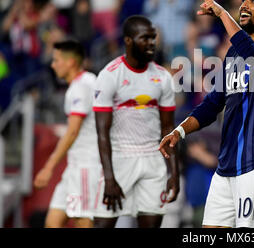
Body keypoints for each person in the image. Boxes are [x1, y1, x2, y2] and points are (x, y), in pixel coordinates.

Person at [159, 0, 254, 228]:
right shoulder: (232, 53)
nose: (243, 5)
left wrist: (223, 15)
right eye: (243, 0)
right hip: (227, 164)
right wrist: (179, 132)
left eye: (252, 1)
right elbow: (212, 104)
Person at [92, 15, 179, 228]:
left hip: (153, 160)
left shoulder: (163, 77)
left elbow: (168, 129)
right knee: (103, 225)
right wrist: (110, 178)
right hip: (120, 159)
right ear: (128, 41)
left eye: (153, 38)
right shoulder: (109, 75)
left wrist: (173, 173)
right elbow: (102, 132)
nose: (151, 43)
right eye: (145, 38)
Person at [34, 39, 101, 228]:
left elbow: (72, 132)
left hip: (86, 166)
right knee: (52, 222)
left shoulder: (80, 88)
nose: (53, 65)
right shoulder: (89, 80)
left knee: (82, 221)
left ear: (70, 62)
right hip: (74, 167)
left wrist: (48, 167)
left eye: (56, 60)